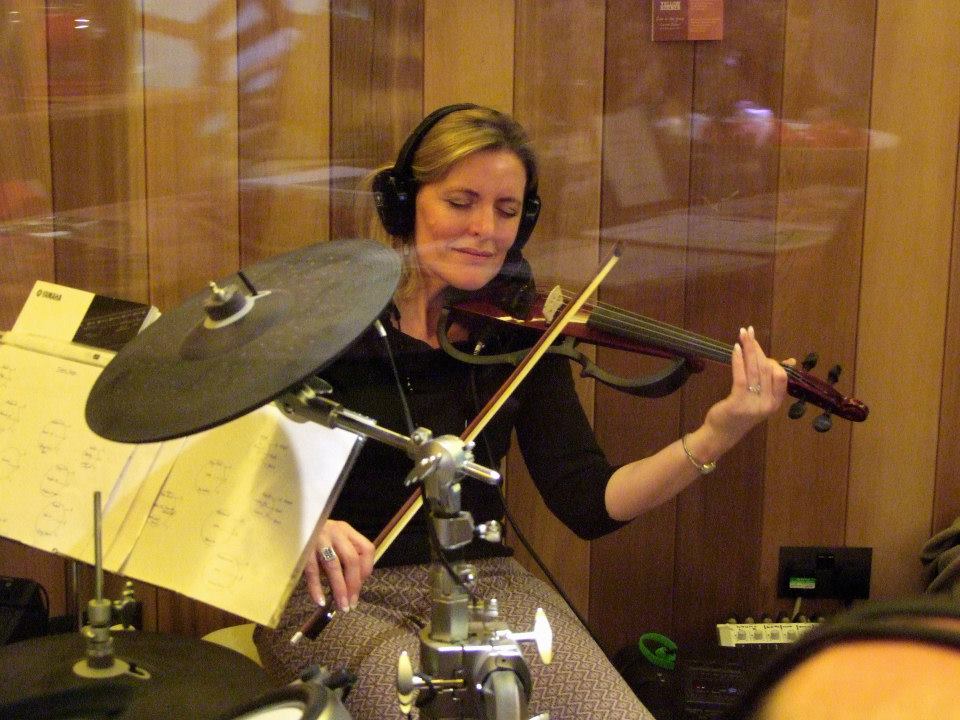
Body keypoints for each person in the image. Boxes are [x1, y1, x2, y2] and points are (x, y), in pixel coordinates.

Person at [253, 104, 789, 718]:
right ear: (405, 205)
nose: (486, 229)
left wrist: (718, 432)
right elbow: (237, 466)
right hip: (336, 595)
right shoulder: (329, 318)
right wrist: (306, 524)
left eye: (506, 210)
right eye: (461, 202)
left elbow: (590, 501)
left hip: (485, 589)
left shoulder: (518, 335)